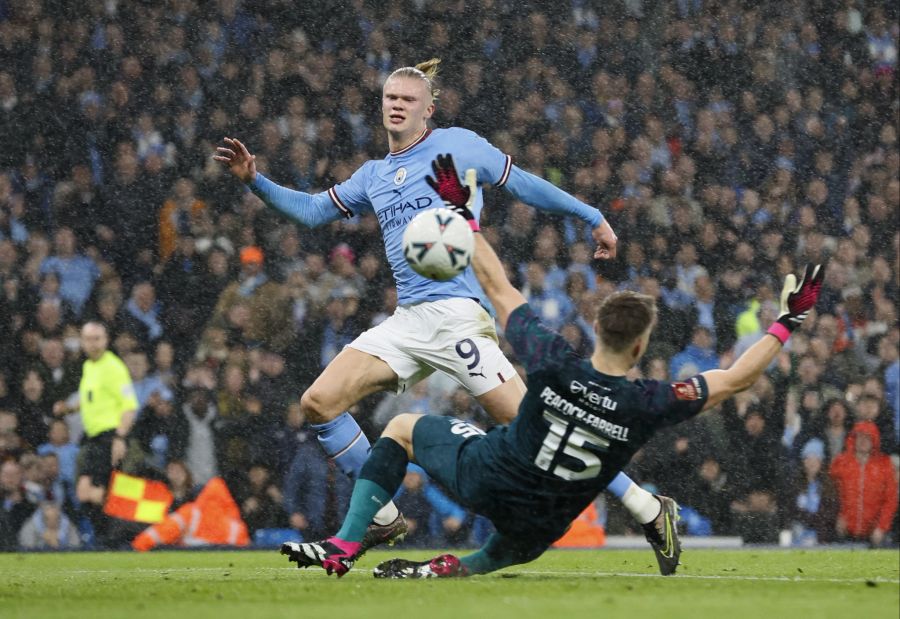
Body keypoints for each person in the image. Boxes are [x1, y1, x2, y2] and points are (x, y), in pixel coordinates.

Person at [213, 58, 669, 560]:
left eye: (408, 100)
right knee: (319, 402)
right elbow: (312, 211)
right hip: (409, 320)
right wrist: (254, 179)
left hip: (459, 316)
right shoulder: (374, 175)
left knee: (544, 424)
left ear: (428, 109)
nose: (397, 105)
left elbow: (523, 184)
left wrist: (591, 215)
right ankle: (381, 518)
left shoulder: (458, 145)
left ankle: (647, 507)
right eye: (390, 98)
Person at [281, 156, 824, 577]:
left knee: (400, 428)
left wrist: (464, 217)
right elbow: (737, 378)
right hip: (543, 525)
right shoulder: (647, 402)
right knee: (514, 533)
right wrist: (786, 322)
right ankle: (464, 565)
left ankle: (354, 539)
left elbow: (498, 287)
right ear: (640, 349)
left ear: (595, 330)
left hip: (489, 482)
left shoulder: (551, 359)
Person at [52, 321, 138, 546]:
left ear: (106, 340)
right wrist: (69, 408)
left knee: (95, 492)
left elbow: (129, 406)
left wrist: (120, 438)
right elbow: (90, 398)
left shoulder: (114, 367)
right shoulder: (89, 366)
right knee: (87, 493)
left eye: (97, 338)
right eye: (89, 339)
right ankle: (110, 537)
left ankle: (119, 532)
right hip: (93, 439)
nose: (93, 343)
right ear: (82, 342)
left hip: (109, 437)